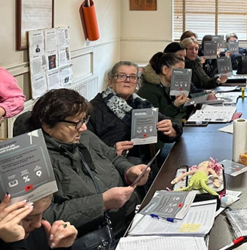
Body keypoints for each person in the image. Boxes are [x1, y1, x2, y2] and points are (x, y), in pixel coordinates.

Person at [13, 89, 151, 238]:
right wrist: (102, 203)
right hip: (95, 236)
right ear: (48, 126)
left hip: (129, 218)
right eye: (76, 123)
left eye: (84, 120)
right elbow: (46, 215)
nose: (84, 127)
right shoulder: (34, 161)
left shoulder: (85, 137)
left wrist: (129, 171)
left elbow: (113, 157)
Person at [87, 61, 183, 164]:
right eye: (122, 76)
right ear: (110, 81)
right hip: (111, 168)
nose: (127, 80)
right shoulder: (94, 108)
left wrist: (172, 131)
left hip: (144, 166)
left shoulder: (141, 104)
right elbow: (85, 148)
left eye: (132, 77)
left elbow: (169, 130)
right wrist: (111, 150)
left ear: (136, 82)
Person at [0, 194, 78, 250]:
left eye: (43, 213)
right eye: (28, 218)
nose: (38, 224)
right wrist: (15, 244)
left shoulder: (39, 231)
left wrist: (60, 247)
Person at [138, 52, 189, 126]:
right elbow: (157, 121)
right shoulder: (149, 91)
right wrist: (175, 105)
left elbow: (177, 115)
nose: (182, 74)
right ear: (165, 69)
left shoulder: (168, 87)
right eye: (179, 70)